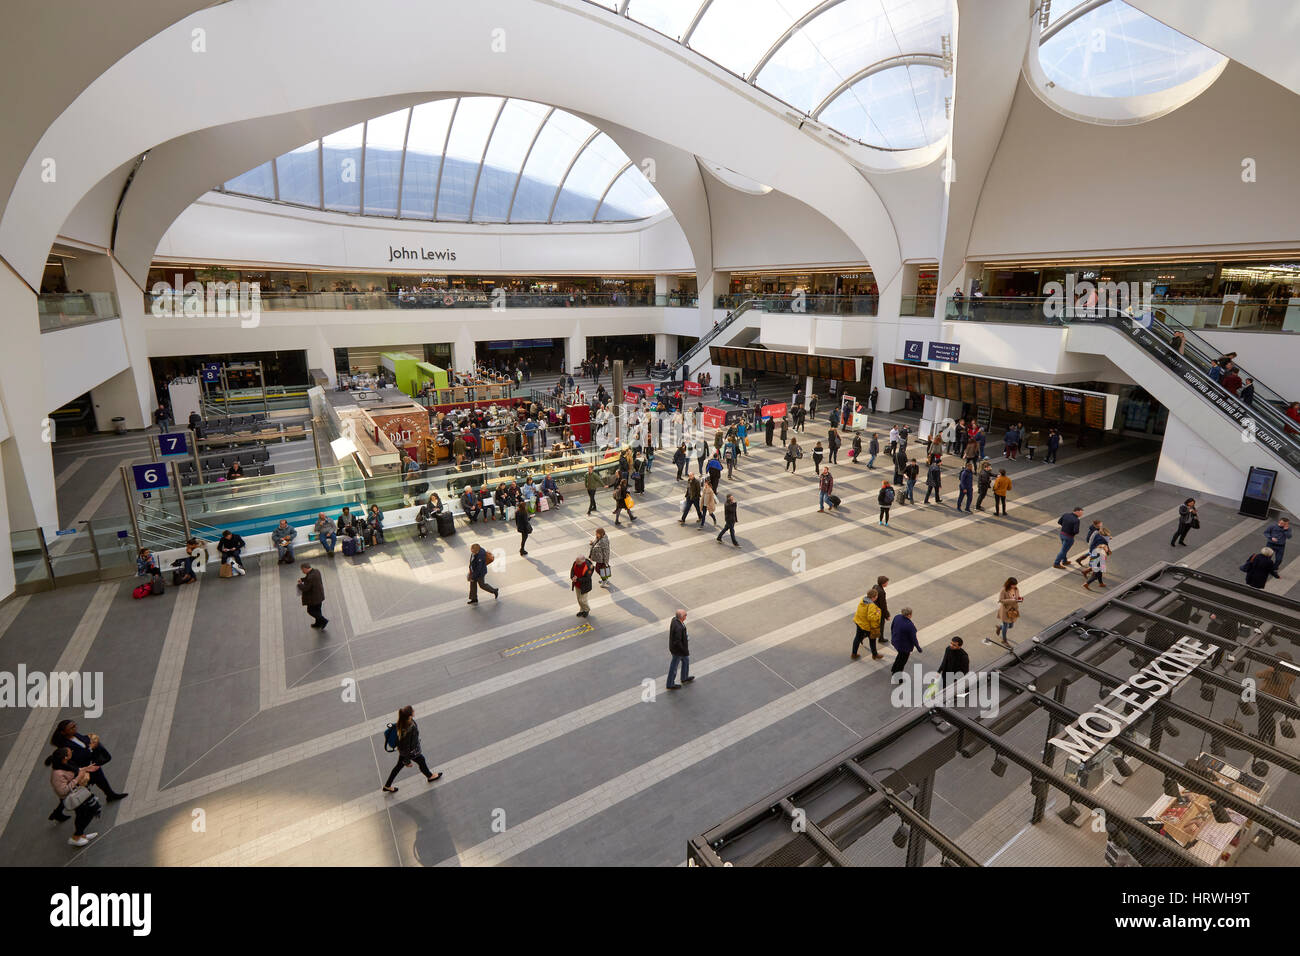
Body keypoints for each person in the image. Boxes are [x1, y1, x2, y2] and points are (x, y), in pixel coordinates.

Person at [46, 719, 126, 819]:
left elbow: (84, 740)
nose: (75, 728)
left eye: (75, 726)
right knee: (76, 793)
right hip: (81, 770)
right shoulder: (65, 745)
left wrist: (91, 740)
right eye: (71, 728)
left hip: (90, 765)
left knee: (101, 779)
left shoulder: (75, 735)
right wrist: (90, 748)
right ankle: (58, 813)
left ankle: (110, 795)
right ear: (63, 732)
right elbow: (78, 757)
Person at [45, 748, 101, 846]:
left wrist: (86, 768)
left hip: (80, 793)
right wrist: (78, 778)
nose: (72, 751)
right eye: (70, 751)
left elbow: (76, 771)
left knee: (86, 813)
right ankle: (76, 837)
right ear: (65, 757)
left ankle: (81, 835)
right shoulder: (57, 774)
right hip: (74, 797)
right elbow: (62, 791)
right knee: (86, 813)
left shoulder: (67, 764)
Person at [382, 705, 442, 793]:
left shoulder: (403, 722)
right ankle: (430, 776)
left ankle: (387, 785)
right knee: (421, 760)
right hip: (411, 752)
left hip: (404, 751)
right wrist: (407, 761)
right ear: (410, 715)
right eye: (412, 711)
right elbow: (407, 746)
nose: (414, 711)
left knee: (398, 767)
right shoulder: (409, 728)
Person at [1254, 653, 1296, 746]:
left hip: (1264, 698)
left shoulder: (1271, 671)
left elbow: (1258, 675)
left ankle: (1267, 738)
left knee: (1264, 719)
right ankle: (1263, 737)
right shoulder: (1292, 673)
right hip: (1279, 700)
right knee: (1265, 718)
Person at [851, 587, 884, 660]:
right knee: (872, 640)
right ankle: (875, 655)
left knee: (857, 638)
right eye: (876, 596)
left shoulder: (863, 600)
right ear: (873, 597)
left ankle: (854, 654)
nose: (877, 597)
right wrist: (878, 613)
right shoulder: (871, 605)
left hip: (859, 622)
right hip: (867, 626)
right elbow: (871, 617)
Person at [666, 609, 694, 690]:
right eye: (686, 615)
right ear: (682, 617)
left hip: (678, 649)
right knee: (674, 667)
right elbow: (677, 642)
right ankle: (670, 684)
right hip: (678, 651)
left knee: (686, 661)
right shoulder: (679, 628)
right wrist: (684, 651)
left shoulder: (674, 619)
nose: (686, 616)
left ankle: (684, 677)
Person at [889, 608, 920, 675]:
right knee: (902, 662)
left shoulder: (897, 617)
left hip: (896, 642)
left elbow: (892, 627)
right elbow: (913, 638)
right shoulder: (909, 625)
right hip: (905, 647)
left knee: (899, 656)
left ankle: (894, 668)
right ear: (909, 615)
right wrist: (918, 648)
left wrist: (893, 636)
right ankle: (897, 676)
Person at [993, 578, 1022, 646]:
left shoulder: (1016, 589)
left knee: (1011, 625)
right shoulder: (1004, 590)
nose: (1015, 586)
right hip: (1006, 611)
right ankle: (1004, 640)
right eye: (1013, 585)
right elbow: (1001, 600)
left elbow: (1017, 596)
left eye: (1015, 585)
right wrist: (1012, 600)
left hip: (1013, 610)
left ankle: (1000, 627)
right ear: (1009, 584)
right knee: (1006, 626)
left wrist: (1019, 599)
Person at [298, 562, 327, 628]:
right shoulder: (316, 571)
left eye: (302, 570)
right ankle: (318, 623)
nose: (302, 571)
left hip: (314, 598)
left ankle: (324, 620)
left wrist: (300, 584)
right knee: (318, 610)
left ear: (305, 568)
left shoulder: (311, 577)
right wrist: (302, 579)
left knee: (311, 611)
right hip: (320, 595)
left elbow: (306, 588)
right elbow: (308, 579)